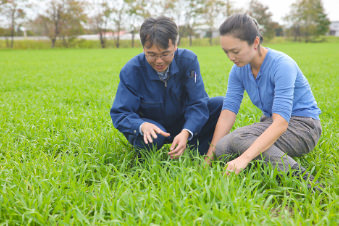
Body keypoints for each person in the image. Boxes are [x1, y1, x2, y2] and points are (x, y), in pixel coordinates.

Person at [205, 14, 322, 190]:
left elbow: (281, 123)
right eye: (226, 52)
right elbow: (228, 112)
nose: (230, 57)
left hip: (303, 127)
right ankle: (265, 163)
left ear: (255, 42)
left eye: (235, 51)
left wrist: (244, 159)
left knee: (239, 138)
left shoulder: (282, 65)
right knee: (222, 148)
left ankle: (306, 180)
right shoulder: (238, 70)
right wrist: (208, 159)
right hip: (271, 123)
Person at [110, 16, 223, 158]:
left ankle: (196, 148)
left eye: (165, 54)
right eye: (151, 54)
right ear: (143, 48)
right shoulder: (131, 70)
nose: (159, 61)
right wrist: (141, 125)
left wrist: (186, 131)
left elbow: (198, 102)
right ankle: (146, 156)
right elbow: (120, 113)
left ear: (175, 46)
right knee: (154, 136)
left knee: (220, 104)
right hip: (153, 127)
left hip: (182, 122)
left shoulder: (188, 61)